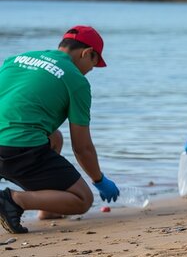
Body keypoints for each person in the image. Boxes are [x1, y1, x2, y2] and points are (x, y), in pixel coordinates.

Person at [0, 26, 120, 234]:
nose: (90, 70)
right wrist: (99, 180)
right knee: (83, 199)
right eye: (93, 63)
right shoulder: (76, 81)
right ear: (86, 52)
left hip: (9, 143)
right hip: (16, 149)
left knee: (55, 137)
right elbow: (82, 147)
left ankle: (48, 209)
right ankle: (13, 200)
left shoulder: (18, 59)